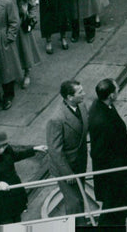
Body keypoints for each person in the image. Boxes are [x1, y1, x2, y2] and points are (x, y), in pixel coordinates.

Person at [88, 78, 127, 226]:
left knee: (116, 206)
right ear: (111, 96)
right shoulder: (102, 121)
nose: (118, 91)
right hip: (113, 173)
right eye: (117, 90)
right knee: (112, 207)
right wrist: (118, 169)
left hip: (115, 169)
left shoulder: (100, 106)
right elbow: (99, 152)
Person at [0, 130, 48, 225]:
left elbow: (17, 154)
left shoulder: (7, 150)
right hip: (2, 201)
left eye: (4, 146)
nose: (3, 149)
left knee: (17, 220)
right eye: (0, 147)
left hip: (15, 195)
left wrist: (34, 149)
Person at [47, 80, 89, 219]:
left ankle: (81, 222)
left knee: (80, 194)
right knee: (74, 202)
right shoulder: (57, 119)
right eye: (80, 92)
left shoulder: (81, 106)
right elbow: (55, 150)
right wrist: (67, 173)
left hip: (79, 160)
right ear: (70, 97)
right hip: (65, 167)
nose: (84, 94)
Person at [1, 0, 42, 90]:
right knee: (13, 52)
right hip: (10, 27)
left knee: (25, 50)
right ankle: (14, 73)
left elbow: (32, 7)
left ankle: (27, 73)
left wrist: (32, 19)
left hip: (22, 27)